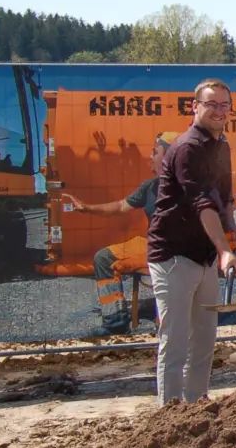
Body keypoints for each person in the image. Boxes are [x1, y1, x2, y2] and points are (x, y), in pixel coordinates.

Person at [145, 79, 236, 405]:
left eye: (223, 105)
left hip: (202, 257)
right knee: (174, 342)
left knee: (203, 339)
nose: (218, 111)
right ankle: (170, 418)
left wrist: (232, 226)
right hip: (173, 256)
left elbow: (224, 196)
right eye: (211, 104)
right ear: (195, 107)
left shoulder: (221, 145)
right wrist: (225, 250)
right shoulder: (187, 148)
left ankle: (197, 405)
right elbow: (201, 203)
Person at [64, 131, 176, 335]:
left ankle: (169, 326)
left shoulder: (189, 187)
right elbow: (120, 206)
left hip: (175, 250)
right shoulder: (149, 186)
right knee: (104, 258)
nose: (150, 157)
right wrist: (86, 208)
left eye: (155, 152)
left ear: (169, 157)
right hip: (152, 245)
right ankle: (116, 321)